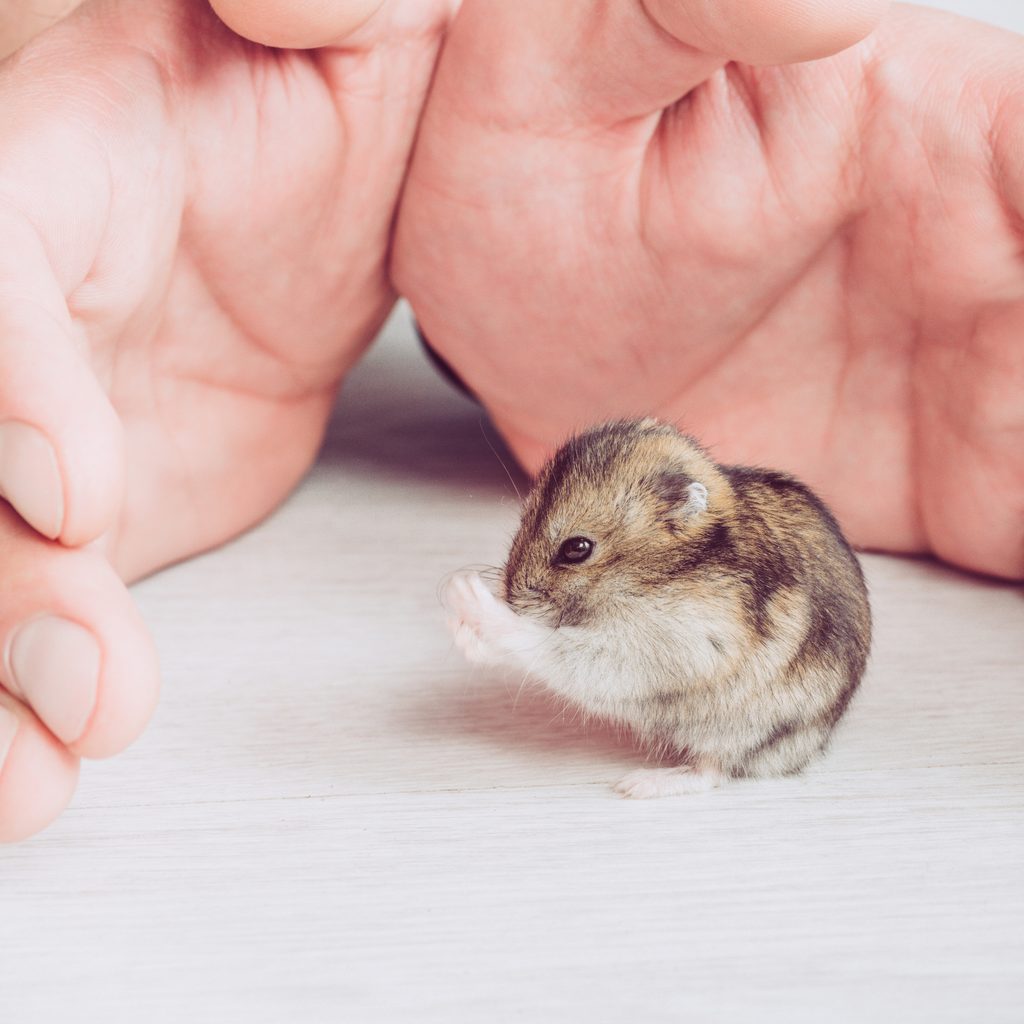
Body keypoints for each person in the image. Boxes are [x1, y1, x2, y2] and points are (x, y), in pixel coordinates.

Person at [0, 0, 1020, 842]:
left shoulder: (713, 598)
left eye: (568, 551)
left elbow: (659, 671)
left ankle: (721, 769)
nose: (530, 572)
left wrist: (519, 643)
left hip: (769, 723)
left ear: (677, 512)